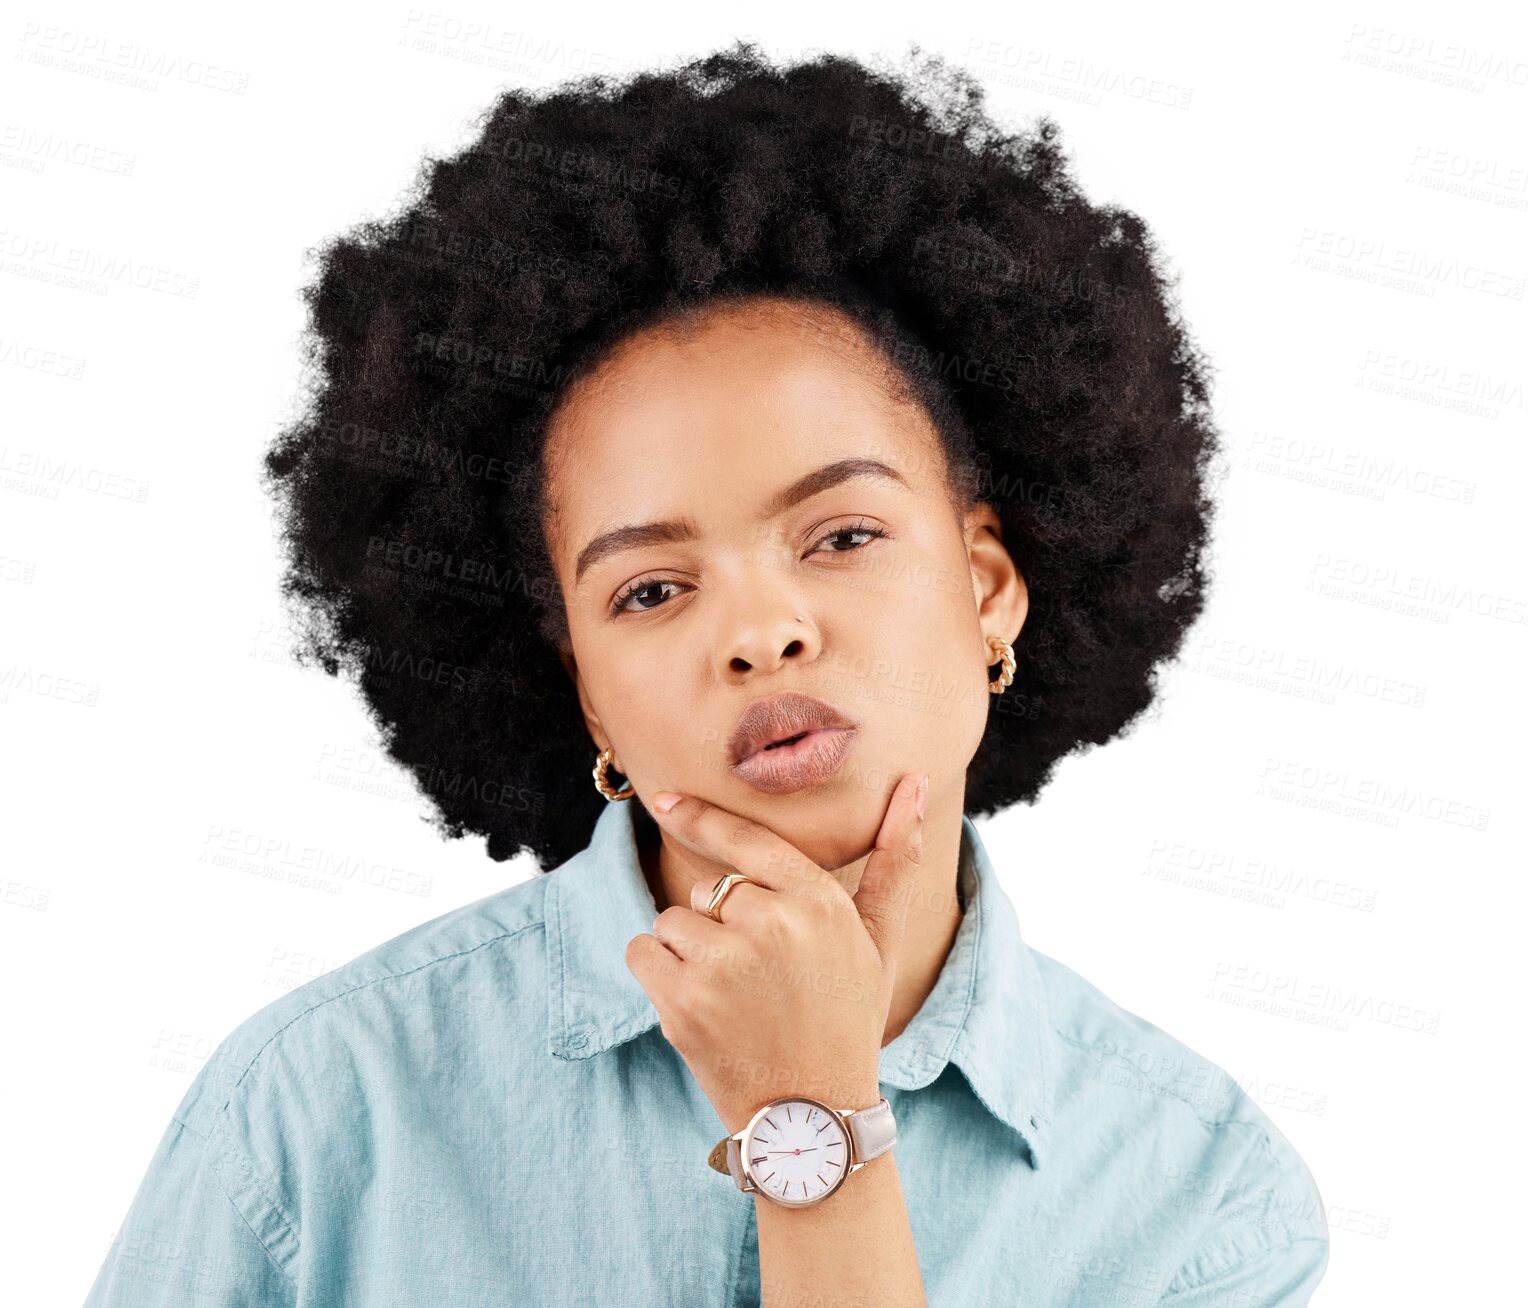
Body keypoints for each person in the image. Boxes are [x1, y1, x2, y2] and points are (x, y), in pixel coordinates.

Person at [83, 41, 1328, 1307]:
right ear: (587, 697)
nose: (761, 633)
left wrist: (816, 1117)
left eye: (840, 536)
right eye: (651, 591)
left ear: (989, 587)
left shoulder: (1200, 1200)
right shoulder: (318, 1115)